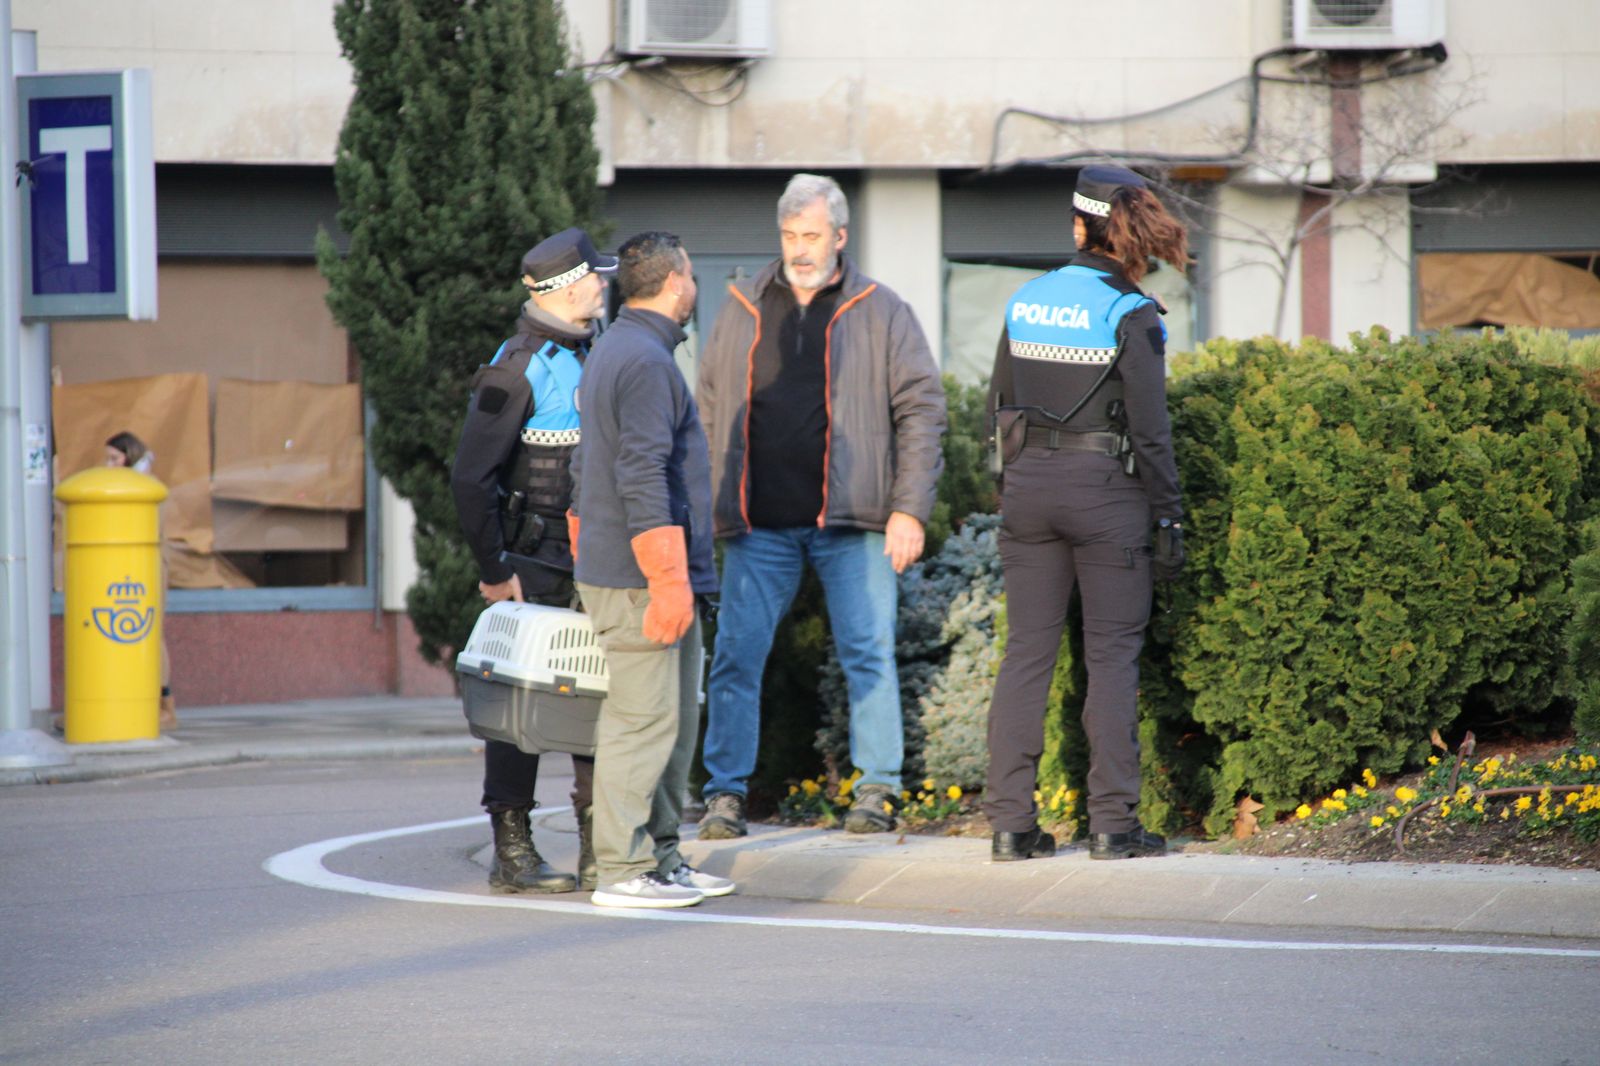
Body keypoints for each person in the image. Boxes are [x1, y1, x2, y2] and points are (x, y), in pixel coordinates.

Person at [695, 173, 947, 838]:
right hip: (758, 525)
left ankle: (877, 789)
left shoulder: (882, 308)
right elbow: (711, 405)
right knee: (736, 657)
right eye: (789, 235)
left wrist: (909, 508)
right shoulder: (743, 304)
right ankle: (723, 793)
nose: (799, 248)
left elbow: (922, 409)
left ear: (840, 235)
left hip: (854, 521)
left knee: (867, 652)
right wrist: (708, 503)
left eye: (811, 235)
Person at [983, 165, 1189, 863]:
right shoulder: (1131, 312)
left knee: (1026, 657)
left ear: (1078, 226)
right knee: (1110, 658)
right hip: (1107, 493)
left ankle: (1011, 827)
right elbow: (1153, 432)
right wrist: (1170, 519)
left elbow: (997, 407)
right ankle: (1112, 826)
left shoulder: (1027, 299)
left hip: (1029, 489)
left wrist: (1014, 490)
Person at [570, 231, 733, 909]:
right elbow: (638, 474)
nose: (695, 287)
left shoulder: (622, 349)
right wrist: (666, 579)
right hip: (642, 578)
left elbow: (587, 469)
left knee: (670, 724)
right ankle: (621, 867)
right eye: (693, 275)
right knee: (641, 723)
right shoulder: (642, 362)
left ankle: (662, 857)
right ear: (674, 283)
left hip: (650, 572)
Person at [449, 227, 615, 894]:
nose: (604, 284)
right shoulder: (518, 367)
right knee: (521, 711)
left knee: (599, 701)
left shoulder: (600, 351)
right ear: (568, 288)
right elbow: (470, 479)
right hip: (531, 563)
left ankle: (602, 845)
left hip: (596, 563)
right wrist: (495, 571)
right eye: (595, 277)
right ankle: (512, 850)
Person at [104, 431, 176, 733]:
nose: (109, 465)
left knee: (149, 632)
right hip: (125, 570)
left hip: (146, 569)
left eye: (114, 458)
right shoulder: (123, 486)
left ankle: (164, 704)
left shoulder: (146, 488)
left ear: (130, 456)